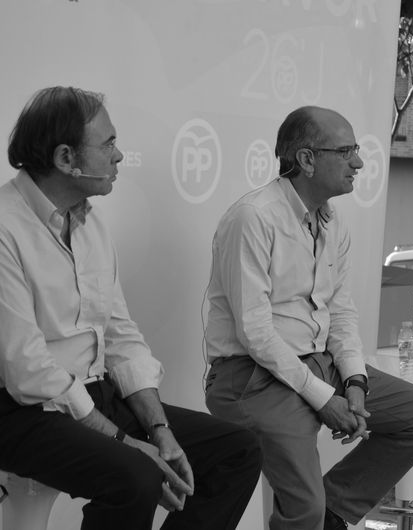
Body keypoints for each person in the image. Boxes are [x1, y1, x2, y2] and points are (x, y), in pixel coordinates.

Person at [0, 86, 263, 530]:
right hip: (21, 410)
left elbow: (120, 336)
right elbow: (27, 371)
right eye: (108, 144)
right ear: (65, 158)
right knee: (136, 477)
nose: (119, 156)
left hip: (93, 395)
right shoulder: (5, 225)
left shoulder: (89, 223)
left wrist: (160, 432)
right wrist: (124, 442)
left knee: (236, 450)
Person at [204, 106, 413, 530]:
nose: (358, 162)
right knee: (302, 507)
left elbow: (340, 313)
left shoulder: (332, 223)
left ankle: (331, 514)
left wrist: (355, 381)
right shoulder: (253, 217)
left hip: (318, 365)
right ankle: (316, 515)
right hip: (252, 377)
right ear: (306, 159)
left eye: (356, 150)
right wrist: (324, 398)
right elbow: (255, 333)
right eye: (346, 151)